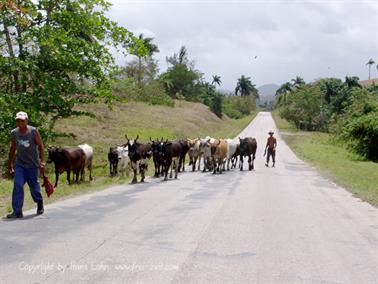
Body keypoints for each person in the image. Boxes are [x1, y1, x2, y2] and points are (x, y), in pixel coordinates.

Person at [6, 111, 45, 218]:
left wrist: (42, 161)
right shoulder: (14, 133)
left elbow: (41, 146)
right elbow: (12, 149)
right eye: (18, 120)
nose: (20, 122)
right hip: (20, 164)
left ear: (27, 120)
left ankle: (39, 202)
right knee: (18, 185)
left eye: (22, 120)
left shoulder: (33, 131)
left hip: (32, 165)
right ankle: (17, 211)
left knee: (34, 188)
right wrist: (10, 164)